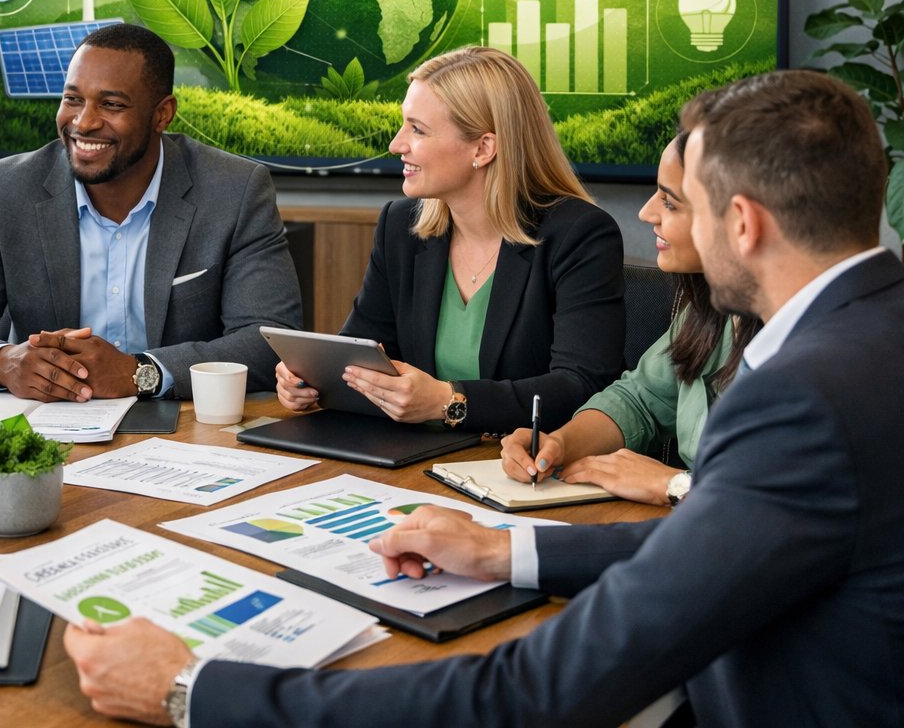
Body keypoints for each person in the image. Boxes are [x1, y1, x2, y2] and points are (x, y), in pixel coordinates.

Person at [64, 69, 904, 726]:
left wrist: (192, 690)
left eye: (682, 203)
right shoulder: (870, 340)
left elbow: (533, 695)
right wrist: (510, 553)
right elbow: (720, 553)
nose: (657, 214)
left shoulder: (799, 400)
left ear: (745, 224)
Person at [0, 23, 302, 401]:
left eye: (112, 104)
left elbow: (268, 339)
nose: (84, 122)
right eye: (72, 99)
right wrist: (3, 363)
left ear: (162, 114)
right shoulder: (1, 191)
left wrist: (140, 372)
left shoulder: (234, 189)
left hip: (184, 432)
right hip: (45, 430)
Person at [275, 47, 624, 435]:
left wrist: (448, 402)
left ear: (483, 148)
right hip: (412, 460)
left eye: (418, 129)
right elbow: (368, 352)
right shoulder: (400, 227)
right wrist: (313, 381)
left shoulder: (580, 235)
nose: (396, 144)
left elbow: (583, 388)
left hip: (520, 468)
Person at [498, 131, 758, 504]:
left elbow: (792, 503)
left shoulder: (811, 340)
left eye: (669, 202)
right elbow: (639, 399)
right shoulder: (710, 309)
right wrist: (560, 443)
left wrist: (675, 484)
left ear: (738, 218)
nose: (646, 212)